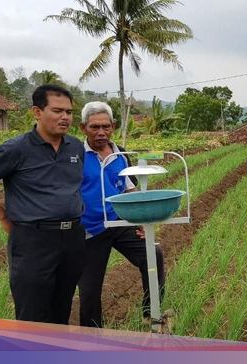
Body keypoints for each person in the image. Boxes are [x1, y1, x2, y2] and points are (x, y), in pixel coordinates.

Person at [0, 84, 85, 324]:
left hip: (72, 236)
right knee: (33, 311)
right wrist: (2, 215)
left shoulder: (76, 146)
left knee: (62, 307)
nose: (65, 117)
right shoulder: (16, 148)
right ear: (37, 112)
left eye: (69, 112)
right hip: (33, 240)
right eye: (57, 111)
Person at [78, 101, 165, 328]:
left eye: (106, 126)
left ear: (113, 126)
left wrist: (142, 220)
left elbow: (128, 188)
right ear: (83, 128)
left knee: (153, 254)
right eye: (94, 127)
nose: (101, 132)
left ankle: (150, 313)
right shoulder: (75, 156)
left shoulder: (120, 155)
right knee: (89, 289)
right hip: (90, 229)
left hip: (118, 222)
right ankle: (91, 336)